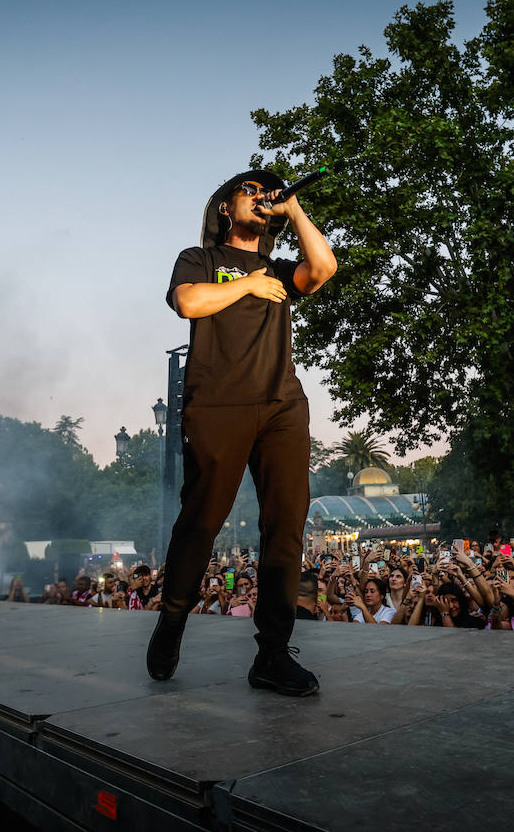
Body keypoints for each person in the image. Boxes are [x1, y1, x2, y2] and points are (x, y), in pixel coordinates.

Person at [146, 169, 336, 696]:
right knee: (202, 518)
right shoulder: (200, 259)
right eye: (248, 192)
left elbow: (323, 268)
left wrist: (294, 210)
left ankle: (272, 654)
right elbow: (188, 303)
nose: (259, 199)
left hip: (281, 405)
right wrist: (248, 284)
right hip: (217, 404)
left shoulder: (278, 265)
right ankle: (173, 617)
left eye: (265, 194)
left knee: (286, 525)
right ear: (225, 208)